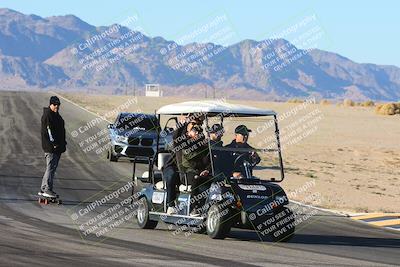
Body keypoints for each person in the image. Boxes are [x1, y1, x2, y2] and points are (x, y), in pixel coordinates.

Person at [40, 96, 67, 198]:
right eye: (55, 104)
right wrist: (54, 143)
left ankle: (44, 188)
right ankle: (47, 189)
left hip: (57, 147)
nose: (57, 106)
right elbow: (49, 131)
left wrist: (62, 143)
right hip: (51, 147)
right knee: (51, 168)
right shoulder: (48, 115)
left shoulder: (56, 115)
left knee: (51, 168)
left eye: (58, 105)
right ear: (50, 104)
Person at [181, 124, 211, 216]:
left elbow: (210, 160)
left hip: (203, 172)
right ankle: (194, 208)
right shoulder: (186, 145)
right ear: (189, 133)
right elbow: (192, 159)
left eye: (199, 132)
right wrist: (200, 170)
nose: (198, 134)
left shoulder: (204, 146)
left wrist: (207, 170)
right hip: (188, 172)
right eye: (195, 131)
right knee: (196, 180)